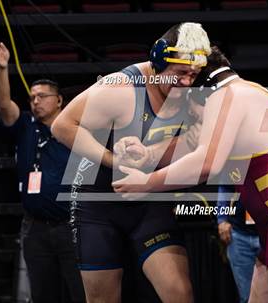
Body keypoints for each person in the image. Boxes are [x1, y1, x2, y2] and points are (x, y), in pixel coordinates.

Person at [112, 46, 268, 303]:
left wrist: (148, 183)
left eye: (187, 102)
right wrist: (147, 154)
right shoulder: (238, 96)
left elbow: (205, 164)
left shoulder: (232, 96)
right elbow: (190, 146)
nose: (189, 114)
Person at [51, 23, 212, 303]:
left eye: (193, 74)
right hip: (97, 204)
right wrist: (111, 159)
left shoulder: (191, 95)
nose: (187, 82)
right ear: (158, 62)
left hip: (147, 201)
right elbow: (62, 126)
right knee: (103, 299)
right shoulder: (119, 88)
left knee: (180, 293)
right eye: (181, 73)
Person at [0, 42, 85, 303]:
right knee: (43, 294)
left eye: (42, 96)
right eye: (32, 97)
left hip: (71, 226)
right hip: (35, 228)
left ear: (59, 100)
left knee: (81, 292)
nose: (36, 101)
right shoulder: (25, 126)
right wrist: (2, 68)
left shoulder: (75, 129)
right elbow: (3, 105)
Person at [217, 186, 260, 303]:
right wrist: (222, 219)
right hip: (239, 234)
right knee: (246, 296)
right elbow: (225, 187)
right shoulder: (237, 167)